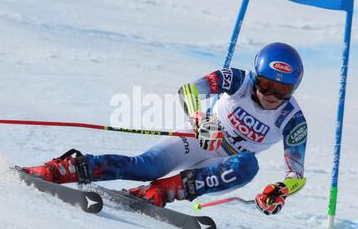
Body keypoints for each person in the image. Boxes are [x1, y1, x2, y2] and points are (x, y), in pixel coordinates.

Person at [23, 42, 308, 216]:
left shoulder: (293, 119)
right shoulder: (238, 79)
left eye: (282, 89)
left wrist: (280, 190)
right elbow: (189, 91)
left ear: (293, 89)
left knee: (248, 165)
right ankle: (64, 169)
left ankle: (160, 193)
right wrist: (202, 121)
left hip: (225, 162)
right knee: (145, 167)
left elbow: (296, 174)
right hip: (199, 139)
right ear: (256, 76)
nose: (271, 94)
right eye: (267, 84)